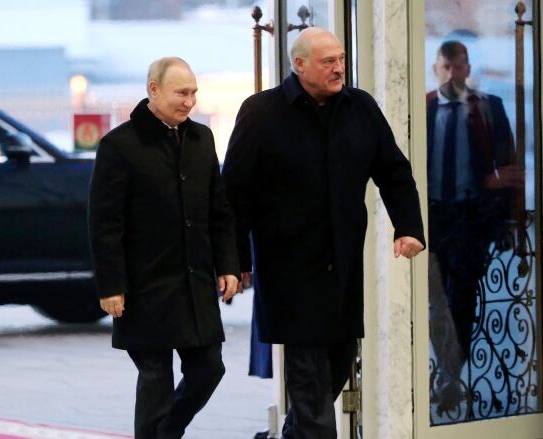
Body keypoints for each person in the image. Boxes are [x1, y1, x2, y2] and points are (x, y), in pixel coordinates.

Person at [222, 28, 425, 438]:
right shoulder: (261, 113)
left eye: (341, 59)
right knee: (310, 385)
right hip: (288, 273)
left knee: (335, 368)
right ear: (299, 65)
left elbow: (394, 172)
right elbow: (233, 196)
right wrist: (235, 262)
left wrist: (408, 227)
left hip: (343, 269)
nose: (339, 68)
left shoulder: (360, 108)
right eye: (328, 61)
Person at [88, 56, 240, 439]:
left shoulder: (201, 138)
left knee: (209, 368)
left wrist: (229, 265)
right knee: (155, 377)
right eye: (181, 93)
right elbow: (105, 224)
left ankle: (165, 434)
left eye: (193, 93)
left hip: (193, 282)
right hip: (143, 286)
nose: (190, 101)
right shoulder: (118, 145)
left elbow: (219, 211)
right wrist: (110, 286)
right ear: (153, 90)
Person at [426, 40, 520, 413]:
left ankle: (450, 375)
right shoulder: (423, 107)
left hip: (469, 218)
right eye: (446, 67)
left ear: (467, 68)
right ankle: (446, 372)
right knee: (435, 301)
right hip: (433, 216)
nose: (452, 74)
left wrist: (506, 218)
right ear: (437, 69)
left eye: (459, 67)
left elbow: (509, 164)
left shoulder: (488, 108)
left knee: (462, 299)